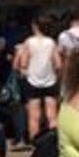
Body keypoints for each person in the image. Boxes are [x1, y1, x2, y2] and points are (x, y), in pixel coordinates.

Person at [15, 14, 60, 143]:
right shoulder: (51, 42)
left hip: (32, 80)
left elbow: (23, 63)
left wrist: (24, 70)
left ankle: (35, 142)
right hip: (50, 80)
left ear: (35, 26)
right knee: (52, 114)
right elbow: (58, 63)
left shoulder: (29, 42)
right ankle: (54, 141)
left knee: (34, 115)